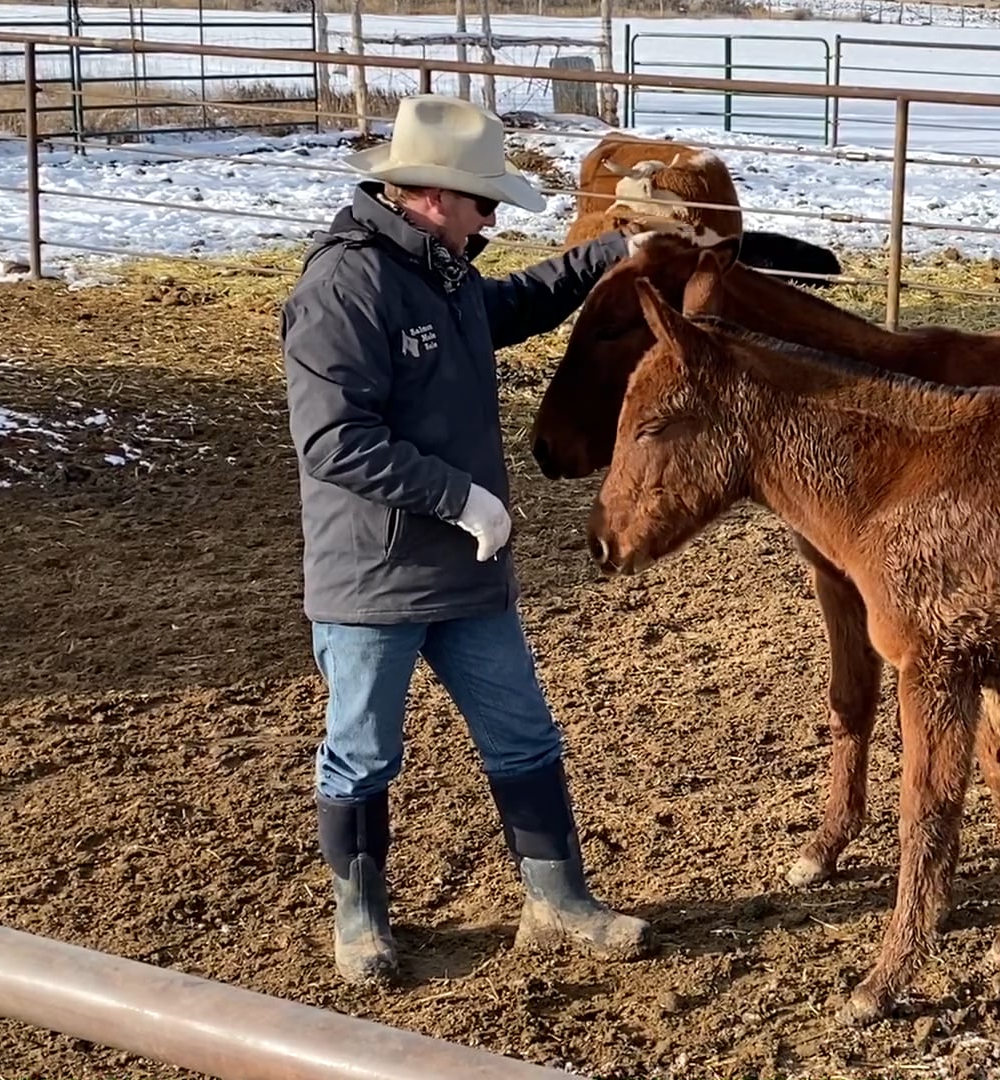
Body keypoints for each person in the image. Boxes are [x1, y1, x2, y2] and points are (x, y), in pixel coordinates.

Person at [280, 94, 650, 985]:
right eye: (485, 202)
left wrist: (613, 253)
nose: (492, 217)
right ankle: (360, 918)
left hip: (468, 569)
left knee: (524, 732)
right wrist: (458, 498)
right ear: (432, 195)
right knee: (363, 747)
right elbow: (332, 439)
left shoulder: (441, 273)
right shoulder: (344, 286)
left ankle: (558, 898)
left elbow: (510, 306)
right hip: (375, 572)